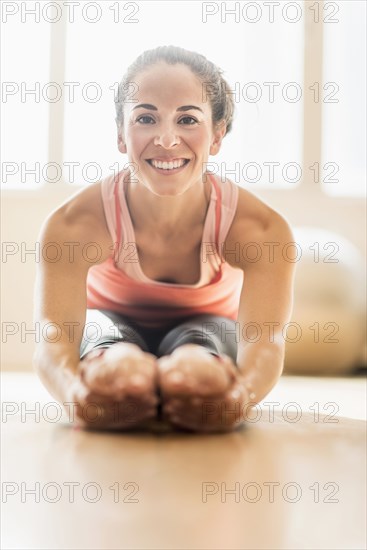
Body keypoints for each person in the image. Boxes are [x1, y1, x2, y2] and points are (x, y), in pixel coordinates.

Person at [33, 45, 296, 433]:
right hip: (109, 328)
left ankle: (194, 369)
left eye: (187, 119)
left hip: (207, 331)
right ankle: (121, 366)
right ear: (121, 135)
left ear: (217, 135)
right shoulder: (74, 224)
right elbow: (55, 336)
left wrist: (238, 399)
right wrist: (77, 395)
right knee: (118, 373)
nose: (167, 139)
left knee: (197, 378)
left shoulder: (260, 229)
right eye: (146, 118)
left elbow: (266, 342)